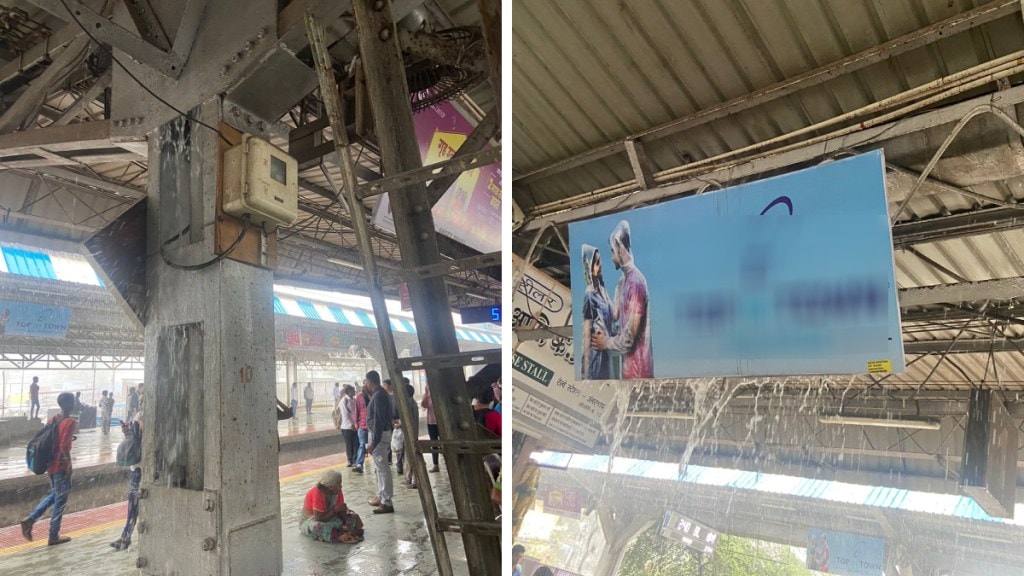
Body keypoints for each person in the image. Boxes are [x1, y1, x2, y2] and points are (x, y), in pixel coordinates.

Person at [591, 220, 653, 379]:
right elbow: (614, 315)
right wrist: (598, 281)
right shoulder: (623, 282)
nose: (611, 257)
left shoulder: (635, 284)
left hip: (640, 375)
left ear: (620, 247)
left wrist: (605, 343)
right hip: (627, 372)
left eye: (612, 251)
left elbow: (628, 339)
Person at [20, 392, 77, 546]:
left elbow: (50, 438)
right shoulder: (71, 422)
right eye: (73, 401)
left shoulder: (54, 419)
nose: (75, 403)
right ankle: (53, 536)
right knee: (60, 500)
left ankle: (30, 520)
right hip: (61, 466)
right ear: (68, 404)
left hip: (50, 465)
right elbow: (64, 447)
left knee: (54, 495)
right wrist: (69, 464)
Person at [110, 397, 143, 551]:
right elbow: (135, 441)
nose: (141, 403)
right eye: (141, 400)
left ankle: (126, 536)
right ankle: (126, 536)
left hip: (141, 468)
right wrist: (128, 432)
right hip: (137, 468)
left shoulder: (144, 417)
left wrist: (139, 425)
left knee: (134, 502)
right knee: (133, 503)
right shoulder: (140, 416)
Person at [299, 469, 363, 544]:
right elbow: (319, 518)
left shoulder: (337, 491)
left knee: (353, 516)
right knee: (318, 527)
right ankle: (340, 536)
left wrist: (345, 521)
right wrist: (335, 510)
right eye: (339, 484)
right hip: (312, 520)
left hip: (331, 517)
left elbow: (341, 512)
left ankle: (343, 533)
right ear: (330, 486)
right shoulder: (317, 493)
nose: (341, 486)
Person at [580, 244, 615, 379]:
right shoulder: (589, 294)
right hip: (595, 353)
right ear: (589, 265)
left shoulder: (603, 290)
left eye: (600, 262)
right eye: (596, 263)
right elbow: (586, 329)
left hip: (605, 348)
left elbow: (613, 316)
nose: (600, 266)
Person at [365, 371, 394, 514]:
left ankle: (386, 502)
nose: (366, 384)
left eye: (366, 382)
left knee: (382, 469)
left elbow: (378, 420)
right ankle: (381, 495)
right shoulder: (380, 394)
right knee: (379, 468)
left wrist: (374, 442)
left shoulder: (379, 396)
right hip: (380, 435)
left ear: (370, 381)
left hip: (380, 437)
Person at [421, 384, 440, 473]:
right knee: (434, 442)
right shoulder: (427, 396)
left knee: (445, 442)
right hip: (431, 421)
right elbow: (424, 405)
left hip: (441, 421)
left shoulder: (439, 395)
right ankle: (435, 464)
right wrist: (426, 393)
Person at [351, 383, 369, 474]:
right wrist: (356, 422)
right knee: (362, 444)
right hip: (362, 425)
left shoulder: (374, 395)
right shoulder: (360, 396)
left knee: (373, 446)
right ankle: (359, 464)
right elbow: (357, 409)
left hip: (372, 426)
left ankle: (378, 464)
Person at [339, 385, 357, 466]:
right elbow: (345, 414)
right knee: (349, 444)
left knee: (356, 443)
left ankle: (355, 459)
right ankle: (350, 460)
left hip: (355, 425)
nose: (355, 392)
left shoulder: (354, 400)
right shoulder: (344, 401)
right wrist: (351, 424)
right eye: (353, 390)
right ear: (349, 392)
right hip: (347, 426)